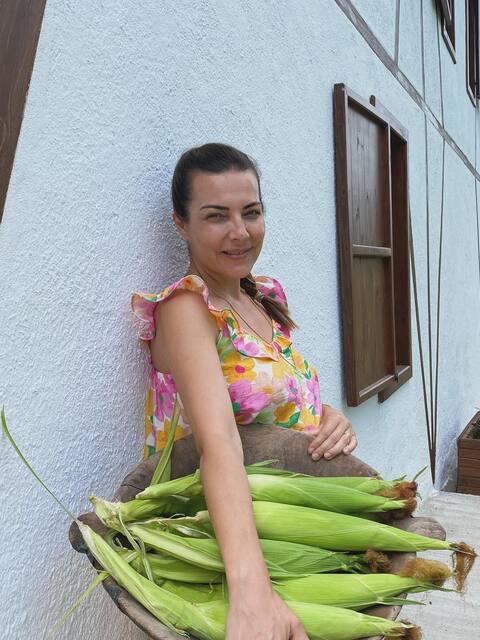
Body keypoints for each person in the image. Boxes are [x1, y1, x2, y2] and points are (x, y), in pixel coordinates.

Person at [130, 143, 358, 639]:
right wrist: (251, 592)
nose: (240, 231)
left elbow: (277, 396)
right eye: (217, 216)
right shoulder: (187, 308)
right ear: (181, 223)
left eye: (250, 212)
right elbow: (219, 445)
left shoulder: (262, 295)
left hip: (294, 521)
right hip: (231, 541)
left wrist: (328, 416)